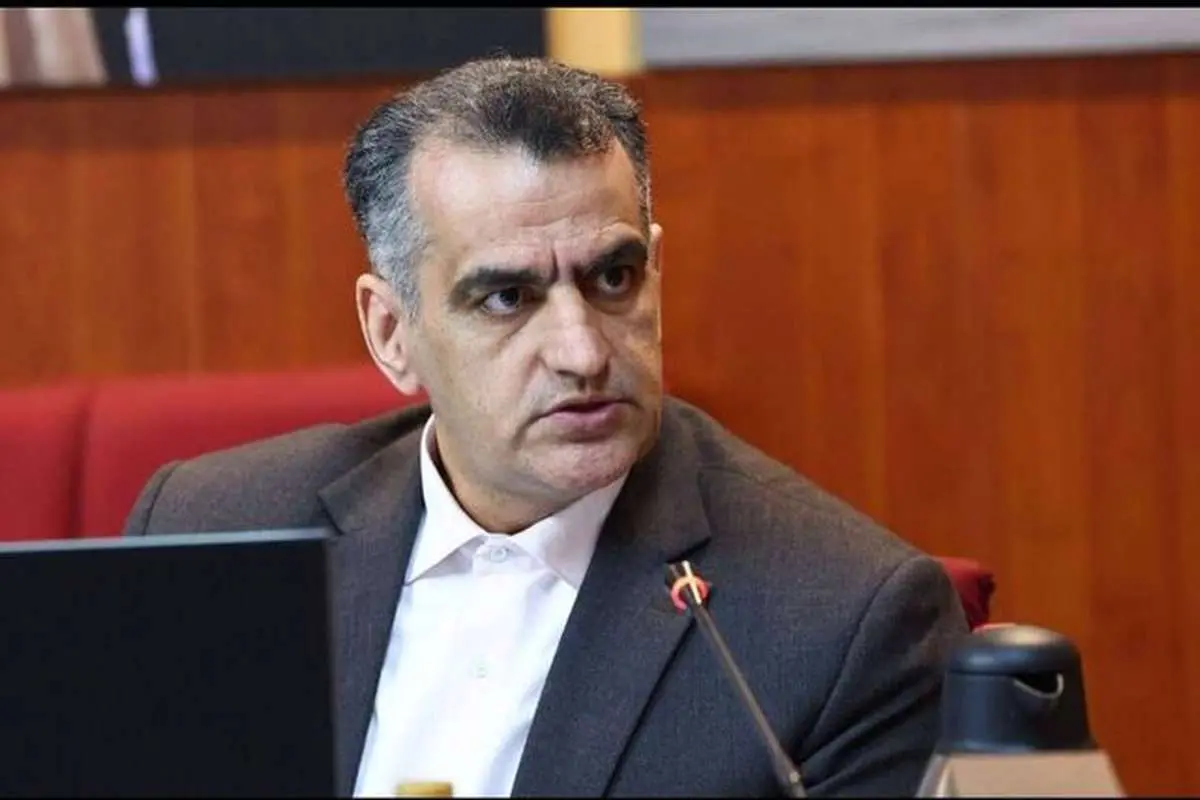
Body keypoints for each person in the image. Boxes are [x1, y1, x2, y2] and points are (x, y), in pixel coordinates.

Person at [124, 56, 968, 798]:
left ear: (656, 272)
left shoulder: (842, 623)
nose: (582, 351)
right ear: (391, 333)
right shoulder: (210, 529)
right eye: (506, 297)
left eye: (613, 278)